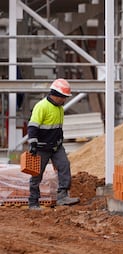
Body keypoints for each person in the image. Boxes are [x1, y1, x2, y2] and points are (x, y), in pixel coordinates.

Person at [27, 78, 80, 210]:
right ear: (57, 95)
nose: (65, 100)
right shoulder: (42, 106)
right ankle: (33, 202)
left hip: (56, 146)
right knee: (36, 174)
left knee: (64, 166)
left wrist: (60, 140)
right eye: (64, 97)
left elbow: (58, 128)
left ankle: (62, 197)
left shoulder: (60, 108)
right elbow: (32, 127)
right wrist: (33, 144)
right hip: (42, 147)